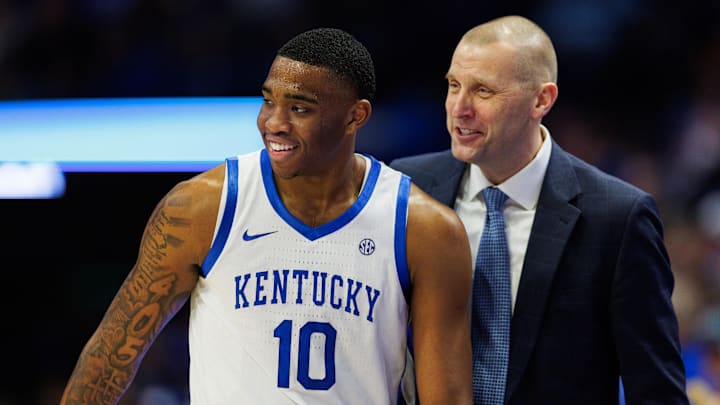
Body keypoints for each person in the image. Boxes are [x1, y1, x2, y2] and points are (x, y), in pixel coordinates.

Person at [61, 28, 473, 405]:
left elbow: (447, 396)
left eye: (299, 108)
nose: (274, 123)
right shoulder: (202, 208)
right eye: (269, 100)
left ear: (356, 116)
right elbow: (110, 358)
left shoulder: (425, 231)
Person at [390, 15, 689, 405]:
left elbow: (656, 391)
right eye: (453, 85)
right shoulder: (406, 188)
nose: (459, 108)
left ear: (541, 100)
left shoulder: (618, 217)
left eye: (483, 91)